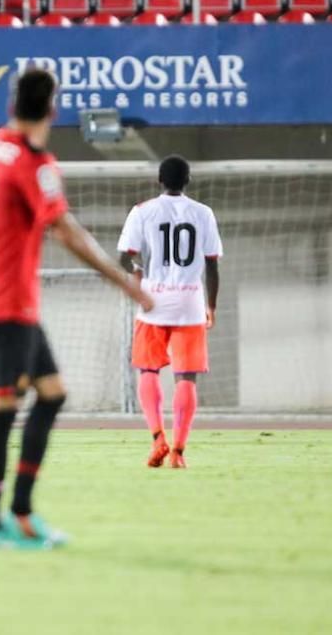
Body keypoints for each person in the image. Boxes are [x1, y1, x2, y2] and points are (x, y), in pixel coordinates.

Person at [0, 69, 154, 549]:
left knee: (51, 394)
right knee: (5, 407)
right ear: (53, 108)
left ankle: (20, 513)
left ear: (12, 104)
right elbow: (66, 231)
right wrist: (125, 283)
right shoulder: (34, 161)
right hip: (7, 302)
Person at [117, 155, 223, 469]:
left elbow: (124, 259)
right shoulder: (203, 213)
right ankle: (178, 451)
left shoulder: (143, 211)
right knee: (186, 377)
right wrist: (211, 306)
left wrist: (137, 271)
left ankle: (157, 439)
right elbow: (212, 265)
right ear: (188, 181)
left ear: (159, 181)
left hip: (154, 298)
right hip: (191, 300)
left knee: (148, 370)